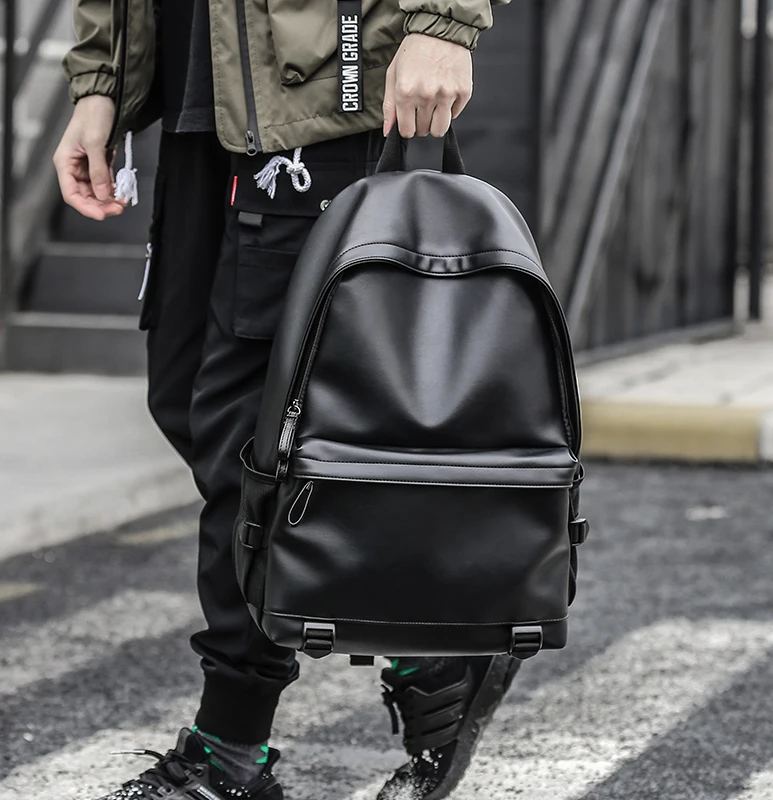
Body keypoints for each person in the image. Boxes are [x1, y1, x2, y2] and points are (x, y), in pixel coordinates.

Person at [53, 2, 514, 798]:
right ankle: (431, 649)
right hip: (201, 88)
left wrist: (441, 22)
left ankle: (229, 745)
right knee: (189, 400)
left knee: (257, 428)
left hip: (323, 82)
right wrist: (104, 81)